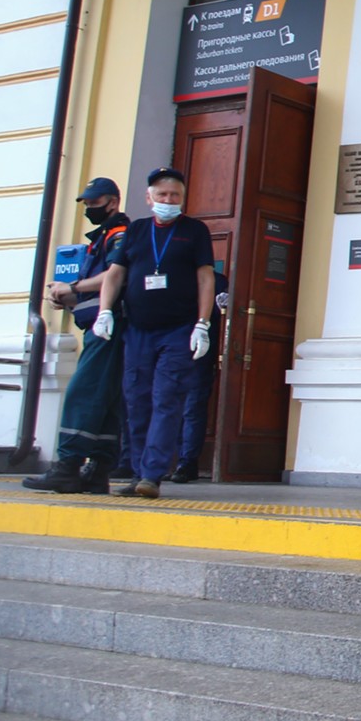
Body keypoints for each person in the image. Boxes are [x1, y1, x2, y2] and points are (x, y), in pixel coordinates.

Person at [93, 166, 215, 500]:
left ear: (183, 199)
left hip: (177, 330)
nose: (168, 200)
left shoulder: (195, 231)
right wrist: (104, 310)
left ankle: (152, 475)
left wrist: (201, 324)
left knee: (166, 399)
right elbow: (115, 274)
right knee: (136, 399)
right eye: (162, 195)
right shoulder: (135, 232)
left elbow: (206, 278)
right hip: (137, 331)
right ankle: (137, 471)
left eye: (175, 195)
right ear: (149, 198)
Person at [21, 177, 130, 494]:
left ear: (112, 201)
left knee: (82, 393)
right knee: (105, 401)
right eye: (86, 203)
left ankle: (67, 466)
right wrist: (70, 296)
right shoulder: (104, 236)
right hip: (102, 326)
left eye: (94, 203)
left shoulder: (118, 235)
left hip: (109, 327)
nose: (89, 209)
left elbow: (114, 277)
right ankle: (97, 471)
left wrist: (73, 288)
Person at [170, 267, 227, 483]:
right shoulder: (175, 277)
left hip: (198, 356)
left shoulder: (218, 282)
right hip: (172, 352)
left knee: (192, 408)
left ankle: (187, 463)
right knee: (170, 407)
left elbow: (221, 316)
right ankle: (172, 461)